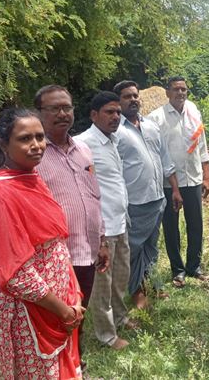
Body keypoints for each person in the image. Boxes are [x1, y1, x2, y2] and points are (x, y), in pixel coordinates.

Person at [0, 108, 84, 379]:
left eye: (40, 136)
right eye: (25, 139)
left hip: (55, 305)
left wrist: (72, 294)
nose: (37, 145)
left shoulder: (31, 178)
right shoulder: (1, 191)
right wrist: (63, 311)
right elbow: (16, 273)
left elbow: (55, 244)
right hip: (28, 313)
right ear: (4, 144)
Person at [35, 84, 110, 363]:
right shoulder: (35, 153)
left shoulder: (83, 149)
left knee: (80, 313)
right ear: (40, 113)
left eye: (66, 107)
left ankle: (76, 363)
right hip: (55, 255)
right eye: (54, 108)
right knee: (58, 318)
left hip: (87, 249)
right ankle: (59, 366)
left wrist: (101, 241)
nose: (62, 113)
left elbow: (95, 196)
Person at [113, 80, 183, 306]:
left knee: (152, 246)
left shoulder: (152, 126)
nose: (133, 99)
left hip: (157, 199)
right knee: (134, 249)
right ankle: (136, 291)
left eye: (135, 95)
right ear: (118, 102)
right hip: (134, 201)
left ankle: (154, 283)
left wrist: (174, 189)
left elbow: (166, 161)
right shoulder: (116, 132)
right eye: (127, 96)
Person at [78, 91, 135, 350]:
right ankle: (106, 335)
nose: (115, 117)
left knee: (121, 276)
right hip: (102, 227)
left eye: (118, 112)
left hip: (120, 221)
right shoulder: (83, 144)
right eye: (109, 112)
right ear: (94, 115)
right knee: (103, 283)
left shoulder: (112, 141)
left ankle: (121, 318)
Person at [148, 76, 209, 288]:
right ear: (167, 93)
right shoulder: (156, 118)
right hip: (168, 183)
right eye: (176, 89)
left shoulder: (193, 111)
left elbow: (201, 144)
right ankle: (178, 270)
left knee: (196, 225)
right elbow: (154, 152)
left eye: (184, 89)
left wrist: (206, 175)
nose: (181, 93)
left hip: (192, 178)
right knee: (171, 227)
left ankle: (194, 266)